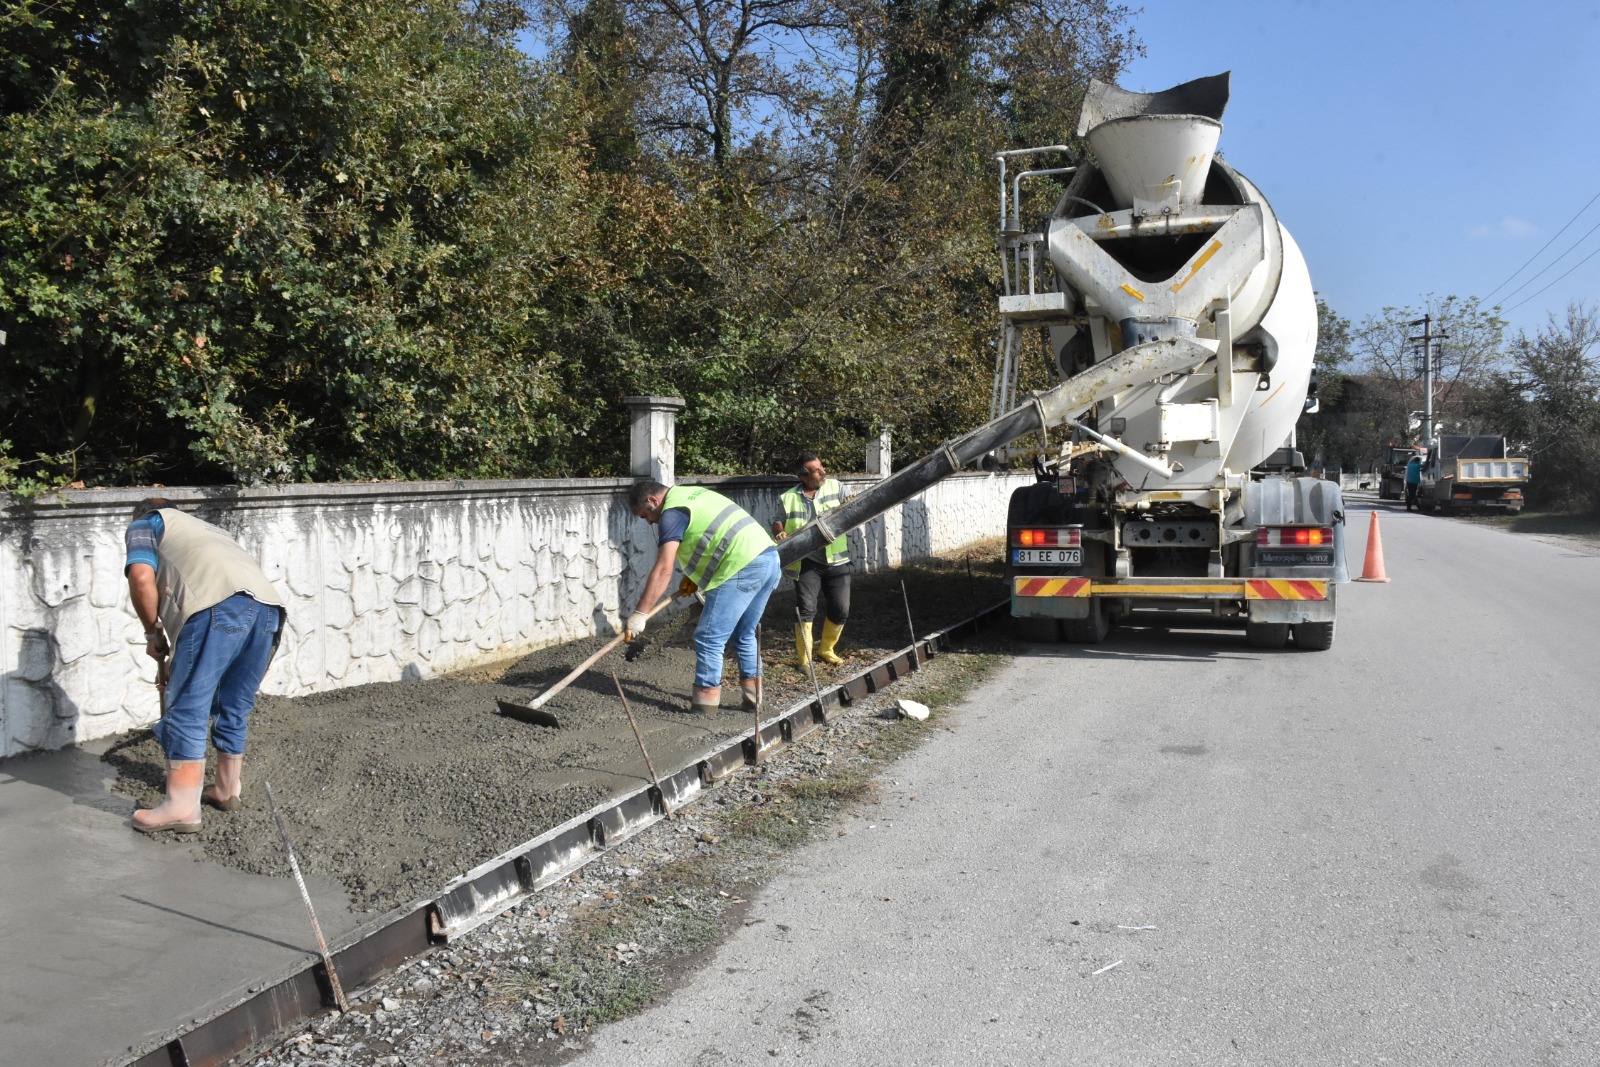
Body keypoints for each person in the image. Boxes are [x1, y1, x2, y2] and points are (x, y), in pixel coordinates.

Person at [124, 498, 285, 833]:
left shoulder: (147, 522)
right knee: (234, 704)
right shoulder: (211, 531)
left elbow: (141, 578)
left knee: (187, 706)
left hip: (217, 607)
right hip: (268, 609)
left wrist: (153, 632)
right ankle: (227, 790)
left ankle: (182, 808)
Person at [626, 480, 781, 714]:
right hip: (767, 558)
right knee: (744, 632)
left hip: (741, 566)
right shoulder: (691, 494)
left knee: (709, 637)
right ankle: (754, 699)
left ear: (652, 501)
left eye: (644, 515)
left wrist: (640, 613)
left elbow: (663, 569)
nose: (649, 521)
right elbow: (713, 535)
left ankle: (705, 707)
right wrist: (696, 576)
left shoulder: (671, 513)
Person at [772, 452, 852, 668]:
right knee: (806, 610)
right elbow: (777, 521)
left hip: (837, 561)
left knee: (840, 609)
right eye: (817, 470)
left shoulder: (836, 487)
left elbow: (852, 507)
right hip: (807, 562)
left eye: (821, 466)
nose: (822, 471)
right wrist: (779, 533)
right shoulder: (788, 497)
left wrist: (851, 503)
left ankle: (826, 650)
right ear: (803, 476)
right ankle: (805, 660)